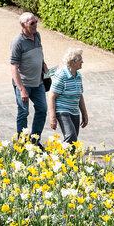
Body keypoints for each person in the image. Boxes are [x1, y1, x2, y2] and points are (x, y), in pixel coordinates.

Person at [10, 12, 48, 144]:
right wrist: (21, 89)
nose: (35, 25)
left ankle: (34, 141)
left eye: (36, 21)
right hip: (24, 84)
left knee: (42, 110)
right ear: (23, 25)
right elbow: (14, 67)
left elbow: (40, 54)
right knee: (23, 113)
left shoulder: (37, 35)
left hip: (38, 83)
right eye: (32, 23)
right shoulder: (17, 42)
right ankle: (22, 143)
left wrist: (44, 66)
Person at [48, 48, 88, 145]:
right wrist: (52, 117)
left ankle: (70, 159)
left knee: (73, 139)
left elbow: (80, 95)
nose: (82, 62)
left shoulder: (78, 75)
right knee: (70, 135)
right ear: (72, 62)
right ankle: (63, 158)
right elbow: (51, 96)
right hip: (63, 110)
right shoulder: (61, 75)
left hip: (74, 110)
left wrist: (84, 113)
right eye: (80, 60)